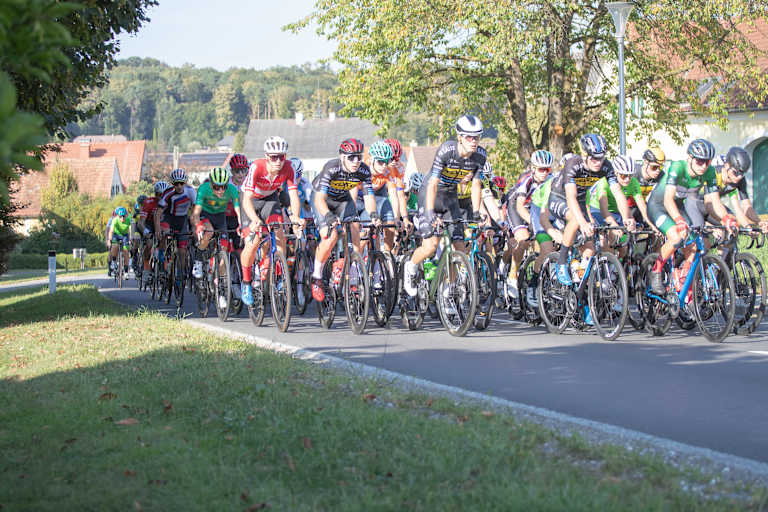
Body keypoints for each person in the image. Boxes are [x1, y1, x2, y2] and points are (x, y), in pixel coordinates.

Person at [403, 114, 487, 297]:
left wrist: (477, 212)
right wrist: (431, 212)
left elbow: (476, 185)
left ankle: (448, 289)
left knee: (459, 247)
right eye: (469, 137)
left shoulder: (480, 156)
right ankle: (411, 266)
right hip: (431, 192)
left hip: (450, 195)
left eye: (477, 137)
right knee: (431, 245)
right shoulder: (447, 150)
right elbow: (432, 183)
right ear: (459, 137)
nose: (473, 141)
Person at [646, 139, 737, 294]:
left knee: (694, 244)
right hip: (659, 206)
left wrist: (725, 218)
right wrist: (679, 220)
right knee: (675, 237)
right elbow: (668, 200)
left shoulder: (709, 173)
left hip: (678, 206)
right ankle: (656, 270)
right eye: (699, 161)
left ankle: (683, 281)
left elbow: (712, 202)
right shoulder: (677, 167)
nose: (703, 166)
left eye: (706, 162)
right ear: (690, 157)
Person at [548, 134, 635, 286]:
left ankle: (580, 283)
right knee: (576, 220)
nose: (598, 162)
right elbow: (570, 197)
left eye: (601, 158)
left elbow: (617, 192)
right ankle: (561, 262)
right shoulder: (573, 163)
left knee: (589, 249)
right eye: (594, 158)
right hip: (559, 197)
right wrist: (582, 223)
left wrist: (627, 217)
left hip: (580, 201)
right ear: (585, 155)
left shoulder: (606, 166)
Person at [310, 138, 380, 302]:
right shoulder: (332, 167)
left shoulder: (363, 170)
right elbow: (319, 199)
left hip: (343, 199)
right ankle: (317, 275)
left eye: (358, 157)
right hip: (322, 199)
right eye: (351, 157)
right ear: (342, 157)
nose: (356, 161)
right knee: (331, 236)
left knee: (356, 228)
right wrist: (328, 216)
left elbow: (369, 196)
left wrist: (374, 215)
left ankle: (352, 272)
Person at [239, 136, 302, 307]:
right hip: (250, 200)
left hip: (270, 199)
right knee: (253, 242)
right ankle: (246, 283)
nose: (278, 161)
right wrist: (254, 219)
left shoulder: (289, 168)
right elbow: (246, 200)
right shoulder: (256, 167)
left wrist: (295, 217)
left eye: (281, 156)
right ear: (267, 156)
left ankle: (280, 274)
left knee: (279, 230)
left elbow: (293, 195)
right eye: (274, 157)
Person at [503, 150, 554, 296]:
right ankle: (513, 274)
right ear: (533, 168)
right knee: (524, 239)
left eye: (547, 169)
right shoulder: (526, 180)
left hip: (535, 208)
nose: (544, 172)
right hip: (517, 206)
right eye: (541, 169)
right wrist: (532, 222)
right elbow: (519, 206)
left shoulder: (552, 180)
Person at [191, 167, 241, 286]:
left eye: (223, 186)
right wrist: (198, 226)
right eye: (216, 187)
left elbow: (238, 210)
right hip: (205, 214)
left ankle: (221, 285)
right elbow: (196, 213)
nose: (220, 190)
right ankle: (198, 261)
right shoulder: (204, 189)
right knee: (209, 232)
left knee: (224, 247)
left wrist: (241, 225)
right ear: (211, 184)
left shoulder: (232, 189)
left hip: (220, 217)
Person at [354, 140, 405, 252]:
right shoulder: (362, 168)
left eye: (387, 162)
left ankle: (385, 259)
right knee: (365, 231)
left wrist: (397, 218)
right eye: (380, 162)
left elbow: (393, 195)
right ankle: (356, 261)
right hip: (358, 197)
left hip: (376, 196)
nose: (384, 166)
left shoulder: (389, 170)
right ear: (372, 160)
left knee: (390, 223)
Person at [156, 168, 196, 274]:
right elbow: (158, 212)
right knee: (164, 234)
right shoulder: (168, 193)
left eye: (181, 183)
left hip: (182, 220)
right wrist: (158, 229)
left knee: (182, 251)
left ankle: (180, 274)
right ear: (173, 184)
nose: (179, 186)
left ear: (185, 183)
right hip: (169, 218)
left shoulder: (191, 192)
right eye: (176, 184)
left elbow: (195, 211)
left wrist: (194, 226)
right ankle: (161, 259)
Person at [136, 181, 169, 277]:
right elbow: (141, 222)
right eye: (158, 194)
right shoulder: (148, 202)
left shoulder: (169, 203)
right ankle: (146, 266)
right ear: (155, 194)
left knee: (163, 241)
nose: (160, 197)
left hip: (162, 223)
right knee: (150, 243)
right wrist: (146, 232)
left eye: (163, 195)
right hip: (149, 223)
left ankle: (162, 265)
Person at [107, 206, 132, 277]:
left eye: (124, 216)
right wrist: (109, 240)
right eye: (121, 217)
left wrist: (131, 239)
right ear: (118, 216)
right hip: (116, 234)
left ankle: (126, 271)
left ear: (126, 215)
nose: (122, 218)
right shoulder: (114, 220)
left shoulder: (128, 220)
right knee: (114, 246)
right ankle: (114, 262)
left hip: (125, 235)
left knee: (126, 251)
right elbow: (111, 231)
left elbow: (131, 231)